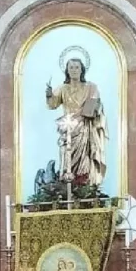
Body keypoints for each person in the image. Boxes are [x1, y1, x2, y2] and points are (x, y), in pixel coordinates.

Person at [45, 57, 107, 188]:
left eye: (77, 67)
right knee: (66, 156)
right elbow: (52, 105)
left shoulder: (90, 87)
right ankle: (66, 186)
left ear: (82, 70)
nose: (74, 70)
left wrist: (94, 107)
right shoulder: (63, 88)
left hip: (84, 128)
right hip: (68, 128)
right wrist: (49, 95)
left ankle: (83, 185)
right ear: (67, 70)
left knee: (84, 159)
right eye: (71, 67)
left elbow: (95, 104)